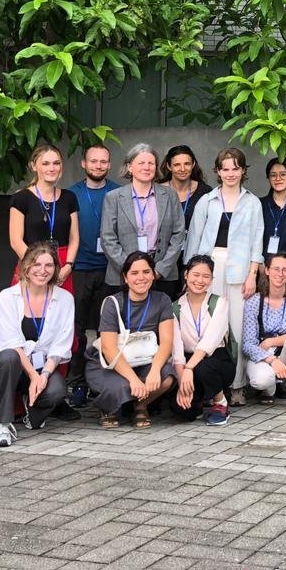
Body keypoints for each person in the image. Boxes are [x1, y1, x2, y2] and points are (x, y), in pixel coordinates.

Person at [185, 147, 264, 398]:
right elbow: (194, 241)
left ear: (243, 171)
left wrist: (253, 274)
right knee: (211, 327)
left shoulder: (252, 203)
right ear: (218, 171)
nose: (231, 173)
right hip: (209, 267)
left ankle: (237, 385)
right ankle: (214, 387)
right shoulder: (205, 201)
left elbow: (257, 241)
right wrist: (191, 275)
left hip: (240, 270)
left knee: (238, 328)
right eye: (225, 168)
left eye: (235, 168)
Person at [0, 242, 75, 447]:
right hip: (8, 366)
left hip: (43, 367)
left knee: (57, 389)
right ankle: (2, 425)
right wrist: (33, 376)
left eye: (49, 265)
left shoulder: (65, 299)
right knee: (8, 357)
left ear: (55, 269)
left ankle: (32, 411)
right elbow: (10, 343)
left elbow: (61, 344)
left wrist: (43, 376)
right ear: (26, 267)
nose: (42, 271)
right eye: (36, 264)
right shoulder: (8, 296)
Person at [84, 252, 177, 428]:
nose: (141, 278)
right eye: (134, 273)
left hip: (144, 359)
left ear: (153, 274)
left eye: (146, 272)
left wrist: (155, 370)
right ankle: (108, 407)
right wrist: (134, 380)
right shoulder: (113, 302)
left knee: (167, 377)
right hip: (111, 361)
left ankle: (140, 405)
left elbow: (166, 342)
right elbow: (109, 348)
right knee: (121, 386)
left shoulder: (162, 300)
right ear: (125, 278)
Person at [66, 143, 119, 409]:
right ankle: (77, 383)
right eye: (93, 161)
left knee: (106, 330)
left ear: (109, 165)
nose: (98, 166)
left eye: (103, 162)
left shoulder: (119, 192)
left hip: (111, 270)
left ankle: (103, 382)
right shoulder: (71, 195)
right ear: (84, 164)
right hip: (80, 269)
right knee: (76, 330)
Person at [100, 142, 186, 299]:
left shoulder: (170, 195)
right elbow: (108, 238)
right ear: (130, 167)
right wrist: (131, 270)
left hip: (162, 274)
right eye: (141, 163)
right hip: (123, 275)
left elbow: (178, 234)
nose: (146, 167)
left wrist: (160, 269)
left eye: (151, 163)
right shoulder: (113, 197)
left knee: (162, 320)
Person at [242, 252, 286, 414]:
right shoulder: (254, 301)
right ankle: (270, 387)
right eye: (276, 269)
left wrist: (271, 342)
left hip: (285, 351)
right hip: (263, 354)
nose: (280, 274)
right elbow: (247, 344)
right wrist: (271, 359)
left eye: (285, 270)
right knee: (261, 380)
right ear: (266, 270)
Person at [171, 255, 237, 425]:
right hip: (187, 362)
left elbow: (209, 342)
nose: (200, 280)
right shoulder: (175, 308)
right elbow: (177, 350)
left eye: (206, 276)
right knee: (181, 410)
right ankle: (198, 399)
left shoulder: (219, 303)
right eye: (195, 275)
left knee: (202, 367)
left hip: (217, 360)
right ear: (186, 274)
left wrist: (189, 368)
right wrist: (182, 383)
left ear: (212, 279)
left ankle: (220, 402)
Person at [8, 142, 79, 289]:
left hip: (62, 267)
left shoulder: (69, 197)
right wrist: (38, 267)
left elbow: (74, 237)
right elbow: (15, 240)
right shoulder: (21, 198)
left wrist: (69, 266)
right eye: (45, 163)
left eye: (56, 163)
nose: (52, 168)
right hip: (31, 265)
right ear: (34, 166)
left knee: (60, 310)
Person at [159, 144, 212, 231]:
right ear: (169, 166)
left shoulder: (204, 192)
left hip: (195, 243)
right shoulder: (158, 191)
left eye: (187, 164)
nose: (182, 169)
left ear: (193, 164)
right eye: (177, 165)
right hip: (164, 244)